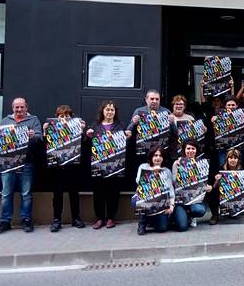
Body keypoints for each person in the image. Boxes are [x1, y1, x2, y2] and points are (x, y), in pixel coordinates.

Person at [0, 98, 43, 234]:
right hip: (7, 163)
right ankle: (5, 221)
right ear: (12, 108)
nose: (19, 110)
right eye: (17, 107)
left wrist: (33, 135)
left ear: (26, 107)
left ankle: (26, 219)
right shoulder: (5, 121)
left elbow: (40, 137)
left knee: (26, 193)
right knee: (6, 193)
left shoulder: (34, 120)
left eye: (22, 107)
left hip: (27, 161)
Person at [85, 100, 131, 229]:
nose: (110, 112)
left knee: (114, 192)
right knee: (98, 193)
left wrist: (128, 137)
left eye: (112, 110)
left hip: (115, 165)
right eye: (107, 109)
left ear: (115, 112)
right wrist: (88, 137)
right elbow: (88, 145)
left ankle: (111, 218)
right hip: (98, 165)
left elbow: (125, 146)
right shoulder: (95, 125)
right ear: (103, 111)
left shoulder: (121, 126)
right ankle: (100, 219)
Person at [44, 105, 86, 232]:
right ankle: (56, 220)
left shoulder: (77, 127)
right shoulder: (51, 128)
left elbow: (84, 143)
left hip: (73, 166)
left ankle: (76, 218)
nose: (64, 118)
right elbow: (43, 145)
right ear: (57, 117)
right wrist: (45, 132)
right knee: (57, 194)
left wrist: (82, 130)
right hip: (57, 167)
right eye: (61, 116)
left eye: (67, 116)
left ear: (71, 117)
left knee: (74, 193)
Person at [135, 145, 175, 235]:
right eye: (155, 155)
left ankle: (151, 220)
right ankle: (142, 223)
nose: (158, 158)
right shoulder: (143, 167)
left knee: (162, 228)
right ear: (151, 156)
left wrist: (172, 205)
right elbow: (138, 181)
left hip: (160, 202)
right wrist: (153, 172)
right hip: (146, 198)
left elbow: (170, 189)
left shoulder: (166, 171)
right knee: (135, 200)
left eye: (160, 156)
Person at [171, 139, 210, 231]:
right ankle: (180, 216)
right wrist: (176, 167)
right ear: (184, 150)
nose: (190, 151)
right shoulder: (177, 163)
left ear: (196, 150)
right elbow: (173, 181)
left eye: (193, 148)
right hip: (180, 201)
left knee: (199, 210)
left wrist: (209, 187)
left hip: (195, 200)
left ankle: (191, 215)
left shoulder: (202, 164)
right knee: (182, 227)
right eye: (188, 148)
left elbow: (205, 182)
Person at [212, 148, 244, 224]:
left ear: (238, 160)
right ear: (227, 159)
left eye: (235, 158)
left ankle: (235, 210)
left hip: (236, 192)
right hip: (224, 192)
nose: (233, 160)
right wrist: (217, 180)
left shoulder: (243, 170)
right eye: (230, 158)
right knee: (213, 192)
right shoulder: (221, 169)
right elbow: (214, 187)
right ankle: (215, 215)